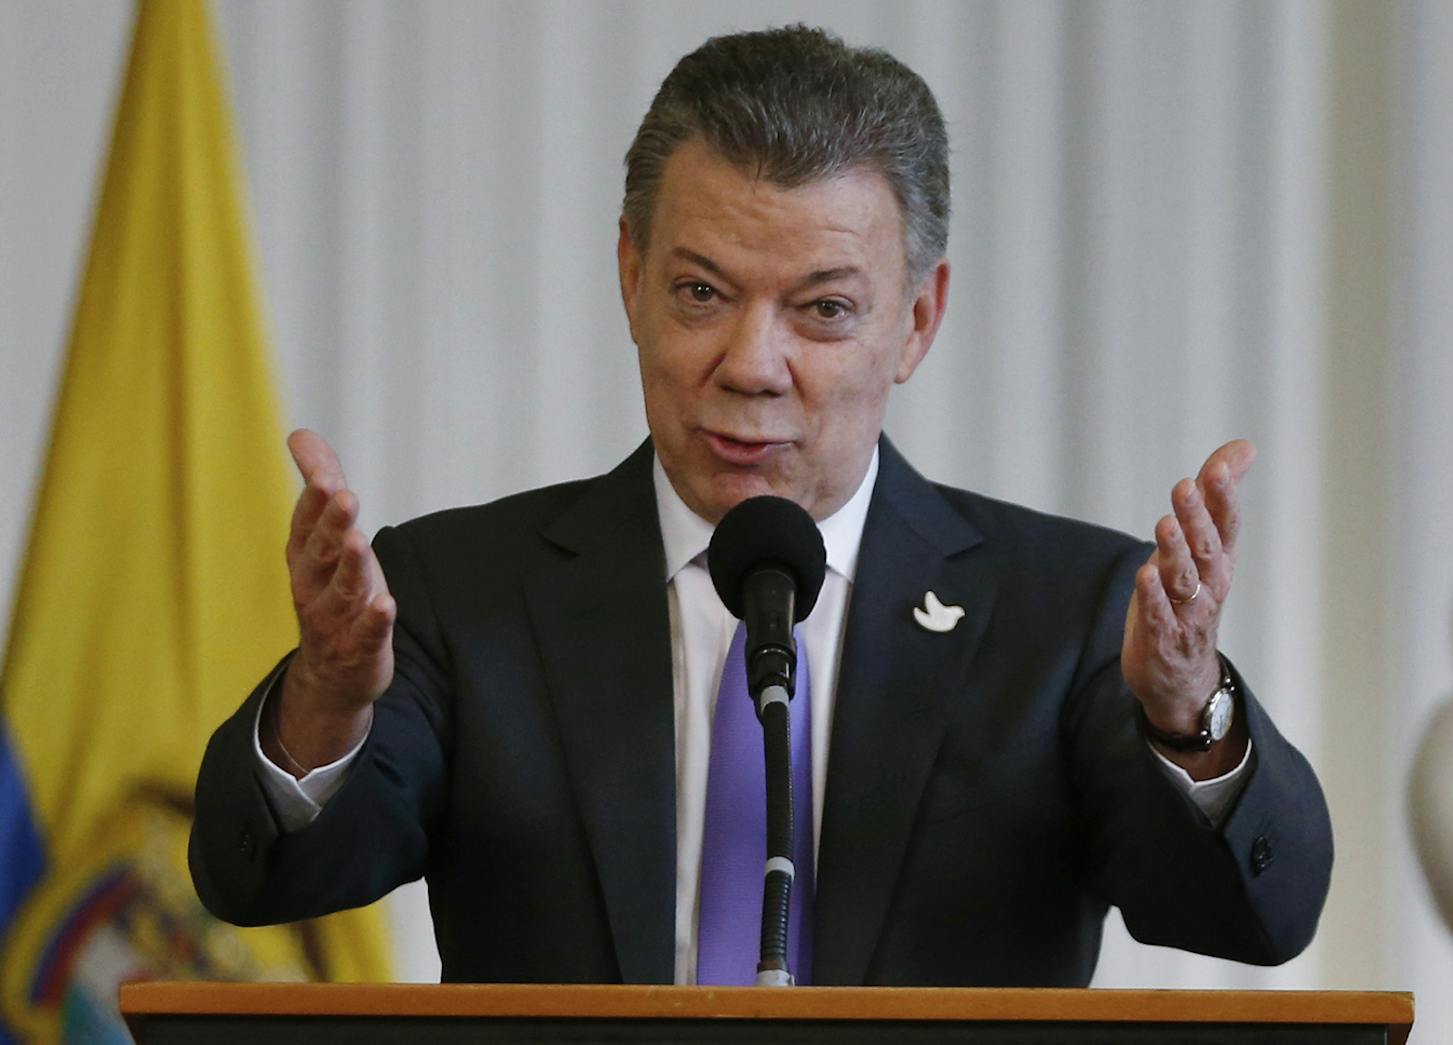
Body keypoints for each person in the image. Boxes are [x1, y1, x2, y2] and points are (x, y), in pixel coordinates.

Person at [189, 24, 1331, 987]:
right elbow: (264, 879)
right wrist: (326, 706)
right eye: (700, 292)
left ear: (917, 321)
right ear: (629, 276)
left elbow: (1250, 921)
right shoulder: (458, 592)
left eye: (824, 310)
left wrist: (1191, 720)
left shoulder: (1067, 613)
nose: (751, 362)